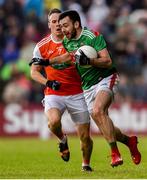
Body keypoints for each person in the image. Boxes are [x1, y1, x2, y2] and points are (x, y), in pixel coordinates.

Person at [57, 10, 141, 167]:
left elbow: (108, 61)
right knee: (103, 122)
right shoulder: (66, 42)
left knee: (97, 111)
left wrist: (90, 61)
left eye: (66, 25)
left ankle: (115, 153)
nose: (63, 30)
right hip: (87, 86)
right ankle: (129, 141)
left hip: (105, 78)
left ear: (76, 24)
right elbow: (72, 61)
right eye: (61, 27)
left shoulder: (93, 36)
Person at [29, 8, 93, 172]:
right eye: (54, 21)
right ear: (49, 24)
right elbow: (34, 72)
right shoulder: (41, 46)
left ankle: (85, 165)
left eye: (60, 21)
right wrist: (48, 83)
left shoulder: (74, 41)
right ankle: (62, 139)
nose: (58, 24)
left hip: (78, 93)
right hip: (54, 93)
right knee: (54, 122)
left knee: (85, 136)